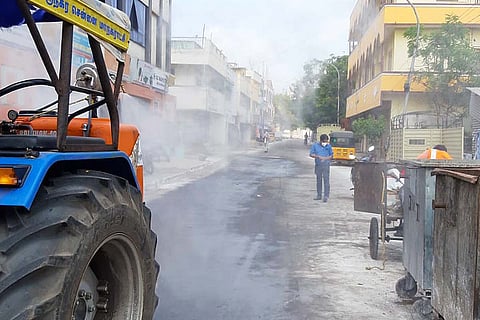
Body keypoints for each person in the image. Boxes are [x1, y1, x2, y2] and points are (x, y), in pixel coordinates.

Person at [309, 133, 333, 202]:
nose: (325, 143)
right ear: (321, 141)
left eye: (326, 141)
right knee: (318, 180)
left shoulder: (328, 146)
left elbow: (331, 155)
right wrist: (318, 157)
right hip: (318, 165)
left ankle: (326, 196)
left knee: (326, 181)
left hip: (326, 165)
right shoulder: (315, 146)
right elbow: (311, 154)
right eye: (324, 141)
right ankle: (319, 195)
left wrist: (325, 158)